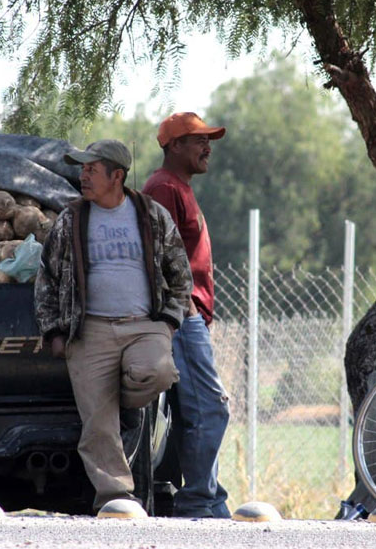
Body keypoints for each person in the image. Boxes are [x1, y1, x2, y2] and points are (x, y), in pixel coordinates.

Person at [34, 138, 192, 512]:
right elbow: (47, 278)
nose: (83, 176)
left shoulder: (151, 215)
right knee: (98, 425)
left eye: (91, 169)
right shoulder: (71, 218)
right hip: (90, 332)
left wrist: (169, 322)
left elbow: (180, 274)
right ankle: (116, 498)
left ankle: (123, 397)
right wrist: (55, 331)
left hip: (145, 326)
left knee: (158, 372)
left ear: (116, 176)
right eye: (82, 169)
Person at [142, 112, 232, 518]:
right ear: (174, 146)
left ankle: (204, 497)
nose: (207, 146)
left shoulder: (178, 186)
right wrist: (186, 308)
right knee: (211, 408)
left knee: (192, 413)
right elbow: (160, 254)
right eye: (198, 140)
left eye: (208, 140)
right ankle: (200, 501)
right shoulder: (163, 187)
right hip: (181, 315)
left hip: (186, 314)